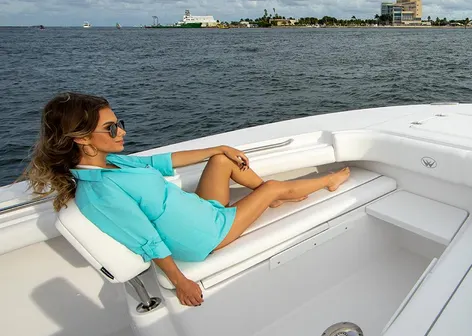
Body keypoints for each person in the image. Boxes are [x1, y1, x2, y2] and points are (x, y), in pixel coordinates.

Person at [25, 92, 350, 307]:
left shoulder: (116, 163)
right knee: (274, 187)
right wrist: (180, 282)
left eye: (118, 124)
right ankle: (328, 182)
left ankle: (265, 200)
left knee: (223, 162)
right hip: (205, 235)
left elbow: (163, 162)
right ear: (82, 139)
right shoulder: (100, 193)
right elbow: (146, 239)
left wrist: (218, 148)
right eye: (111, 129)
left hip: (202, 210)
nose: (122, 132)